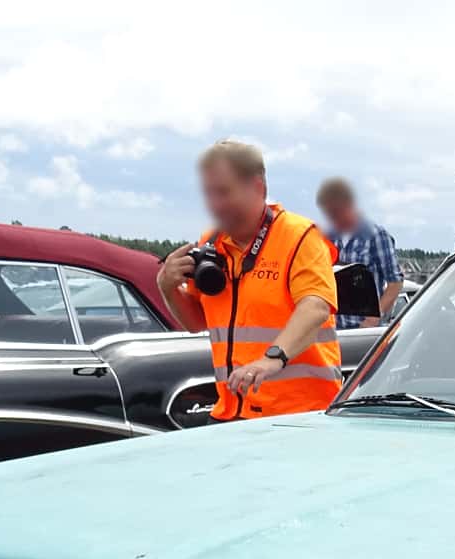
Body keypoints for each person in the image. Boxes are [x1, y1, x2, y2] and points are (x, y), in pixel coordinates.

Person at [156, 141, 342, 421]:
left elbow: (315, 306)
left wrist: (272, 359)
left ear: (258, 189)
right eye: (209, 194)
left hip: (297, 416)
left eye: (224, 192)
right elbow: (196, 323)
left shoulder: (300, 237)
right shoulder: (212, 242)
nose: (215, 205)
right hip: (231, 412)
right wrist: (167, 286)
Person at [315, 176, 402, 329]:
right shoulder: (328, 236)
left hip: (362, 331)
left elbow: (395, 282)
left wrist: (373, 319)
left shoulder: (375, 235)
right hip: (332, 330)